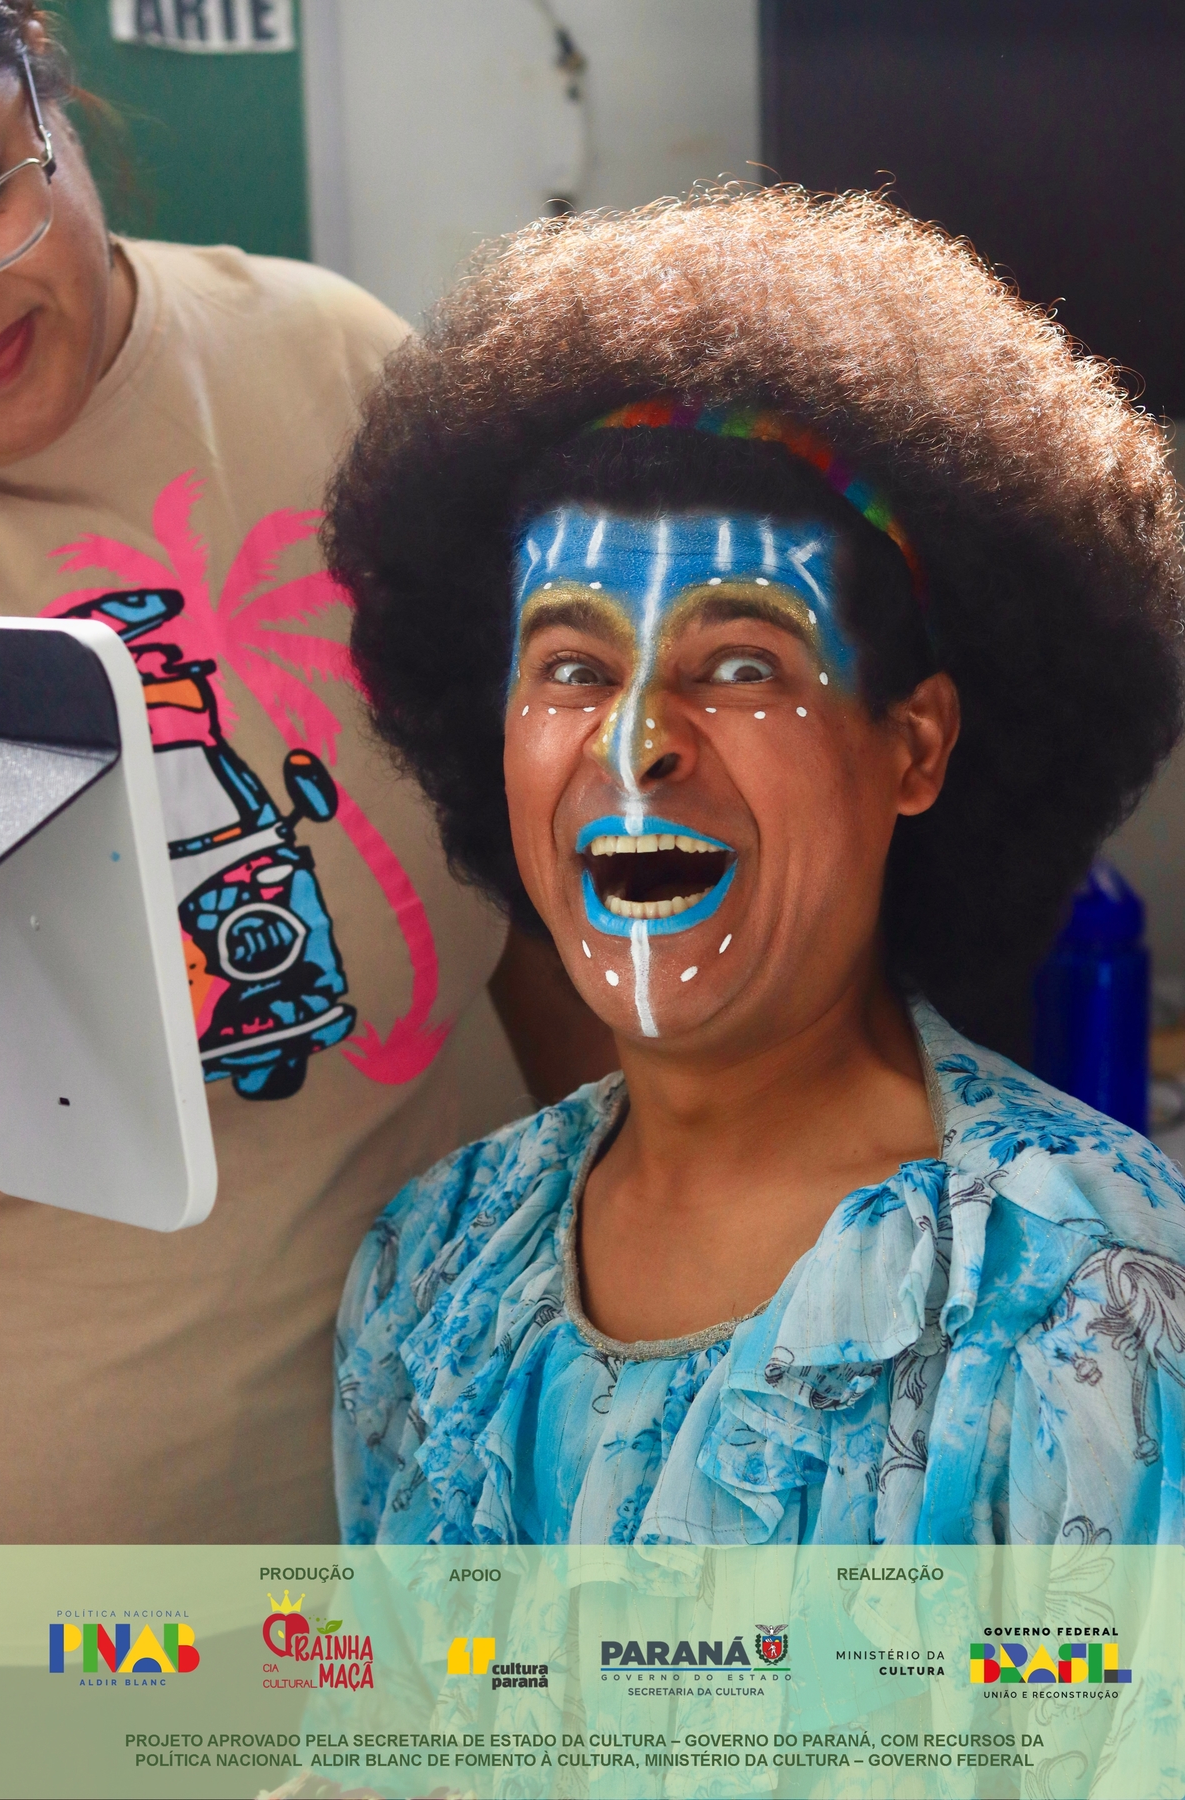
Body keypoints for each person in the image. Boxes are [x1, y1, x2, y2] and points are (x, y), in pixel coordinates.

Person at [327, 188, 1185, 1548]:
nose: (636, 743)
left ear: (915, 747)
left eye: (741, 665)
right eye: (572, 667)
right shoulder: (429, 1268)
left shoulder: (1090, 1294)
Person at [0, 2, 611, 1544]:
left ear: (60, 112)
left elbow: (538, 899)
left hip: (494, 1458)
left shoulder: (336, 363)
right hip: (112, 1575)